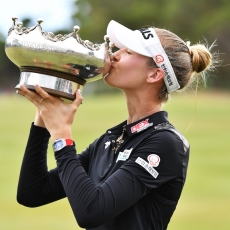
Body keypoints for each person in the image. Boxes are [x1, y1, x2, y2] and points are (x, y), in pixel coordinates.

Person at [16, 20, 213, 230]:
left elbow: (91, 212)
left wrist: (62, 135)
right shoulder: (112, 138)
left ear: (155, 74)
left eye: (129, 52)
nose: (115, 55)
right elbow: (33, 192)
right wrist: (44, 113)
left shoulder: (166, 143)